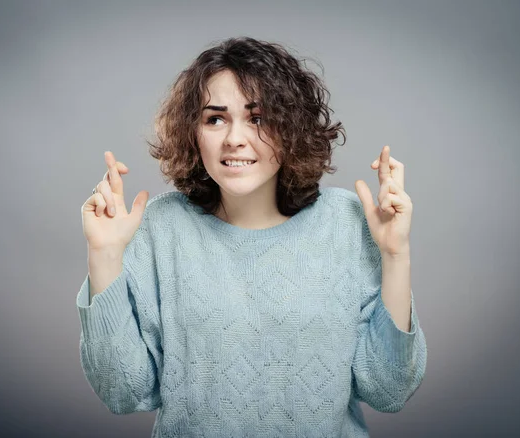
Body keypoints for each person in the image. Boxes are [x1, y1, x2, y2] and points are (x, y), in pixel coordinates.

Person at [77, 36, 427, 437]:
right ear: (193, 132)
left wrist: (396, 255)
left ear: (291, 128)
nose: (234, 139)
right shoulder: (161, 227)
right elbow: (122, 393)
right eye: (215, 118)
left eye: (257, 117)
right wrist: (103, 256)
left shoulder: (345, 222)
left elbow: (389, 390)